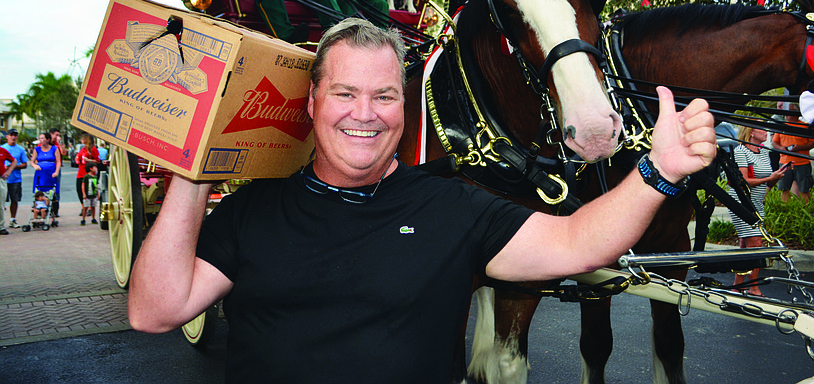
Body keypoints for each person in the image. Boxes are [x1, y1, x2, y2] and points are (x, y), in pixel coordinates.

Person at [127, 19, 716, 383]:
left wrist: (658, 170)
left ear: (402, 108)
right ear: (312, 105)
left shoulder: (450, 206)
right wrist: (195, 164)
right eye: (344, 93)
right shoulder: (252, 211)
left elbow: (576, 241)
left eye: (384, 95)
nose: (364, 113)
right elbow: (153, 311)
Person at [726, 126, 789, 295]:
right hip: (741, 203)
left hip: (757, 203)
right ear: (751, 133)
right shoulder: (740, 152)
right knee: (755, 243)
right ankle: (754, 287)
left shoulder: (763, 152)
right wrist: (770, 177)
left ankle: (738, 285)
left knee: (746, 245)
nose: (766, 131)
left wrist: (776, 177)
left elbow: (767, 183)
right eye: (761, 129)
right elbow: (744, 182)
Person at [771, 104, 814, 203]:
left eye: (789, 111)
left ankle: (806, 207)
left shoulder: (805, 126)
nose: (786, 114)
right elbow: (774, 143)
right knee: (783, 188)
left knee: (804, 188)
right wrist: (781, 148)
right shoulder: (782, 126)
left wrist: (800, 147)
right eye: (785, 111)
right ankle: (786, 208)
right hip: (785, 163)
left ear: (796, 113)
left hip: (802, 162)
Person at [2, 129, 28, 229]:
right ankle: (1, 221)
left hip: (15, 179)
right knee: (2, 200)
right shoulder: (2, 148)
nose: (13, 137)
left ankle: (13, 219)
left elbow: (24, 164)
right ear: (7, 136)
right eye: (11, 135)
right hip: (3, 178)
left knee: (14, 199)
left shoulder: (20, 150)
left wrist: (13, 166)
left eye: (15, 135)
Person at [74, 134, 101, 210]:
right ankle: (83, 206)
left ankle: (89, 207)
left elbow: (98, 161)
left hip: (89, 173)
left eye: (83, 138)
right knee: (79, 190)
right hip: (80, 172)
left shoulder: (93, 149)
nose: (82, 140)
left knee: (90, 191)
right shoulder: (82, 149)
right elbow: (79, 159)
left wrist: (89, 160)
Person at [0, 144, 19, 235]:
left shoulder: (2, 151)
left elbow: (14, 161)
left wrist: (8, 172)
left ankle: (1, 226)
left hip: (1, 179)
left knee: (1, 204)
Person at [49, 127, 68, 216]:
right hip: (48, 168)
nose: (57, 137)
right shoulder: (47, 143)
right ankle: (47, 209)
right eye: (56, 135)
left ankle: (55, 210)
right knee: (46, 187)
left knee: (56, 188)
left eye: (58, 135)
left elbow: (64, 153)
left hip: (57, 168)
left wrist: (60, 143)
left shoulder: (57, 144)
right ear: (51, 134)